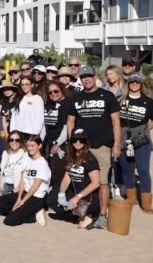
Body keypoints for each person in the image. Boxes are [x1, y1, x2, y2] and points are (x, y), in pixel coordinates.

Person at [64, 65, 121, 230]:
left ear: (95, 78)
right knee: (81, 180)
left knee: (103, 182)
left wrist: (117, 144)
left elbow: (116, 121)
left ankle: (102, 215)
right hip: (82, 146)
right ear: (80, 80)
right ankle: (85, 213)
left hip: (102, 145)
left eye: (89, 76)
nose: (87, 79)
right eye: (83, 77)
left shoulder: (107, 96)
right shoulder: (76, 98)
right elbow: (70, 121)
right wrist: (72, 141)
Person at [118, 73, 153, 214]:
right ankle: (132, 198)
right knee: (126, 168)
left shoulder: (147, 101)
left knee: (143, 170)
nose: (134, 84)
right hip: (124, 137)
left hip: (141, 139)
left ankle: (147, 203)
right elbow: (115, 119)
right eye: (132, 82)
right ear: (128, 84)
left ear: (141, 84)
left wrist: (144, 130)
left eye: (137, 82)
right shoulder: (121, 100)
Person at [46, 128, 101, 228]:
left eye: (81, 140)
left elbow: (96, 183)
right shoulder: (72, 156)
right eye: (75, 140)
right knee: (51, 198)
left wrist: (77, 197)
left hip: (87, 197)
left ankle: (88, 216)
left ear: (86, 142)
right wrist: (62, 194)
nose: (78, 142)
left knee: (77, 210)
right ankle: (78, 215)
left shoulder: (90, 159)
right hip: (74, 193)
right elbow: (66, 179)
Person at [0, 135, 50, 227]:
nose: (30, 148)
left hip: (36, 197)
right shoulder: (29, 159)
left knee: (9, 221)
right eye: (28, 146)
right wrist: (19, 198)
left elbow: (35, 187)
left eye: (33, 145)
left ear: (39, 146)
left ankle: (33, 216)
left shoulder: (42, 163)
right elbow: (23, 180)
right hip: (25, 192)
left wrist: (22, 202)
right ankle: (23, 211)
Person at [43, 80, 69, 191]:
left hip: (61, 145)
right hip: (49, 143)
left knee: (58, 174)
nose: (53, 94)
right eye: (50, 92)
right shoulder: (49, 105)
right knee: (51, 173)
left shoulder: (67, 104)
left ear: (62, 90)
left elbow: (67, 127)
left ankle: (58, 197)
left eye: (56, 91)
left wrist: (58, 143)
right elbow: (45, 125)